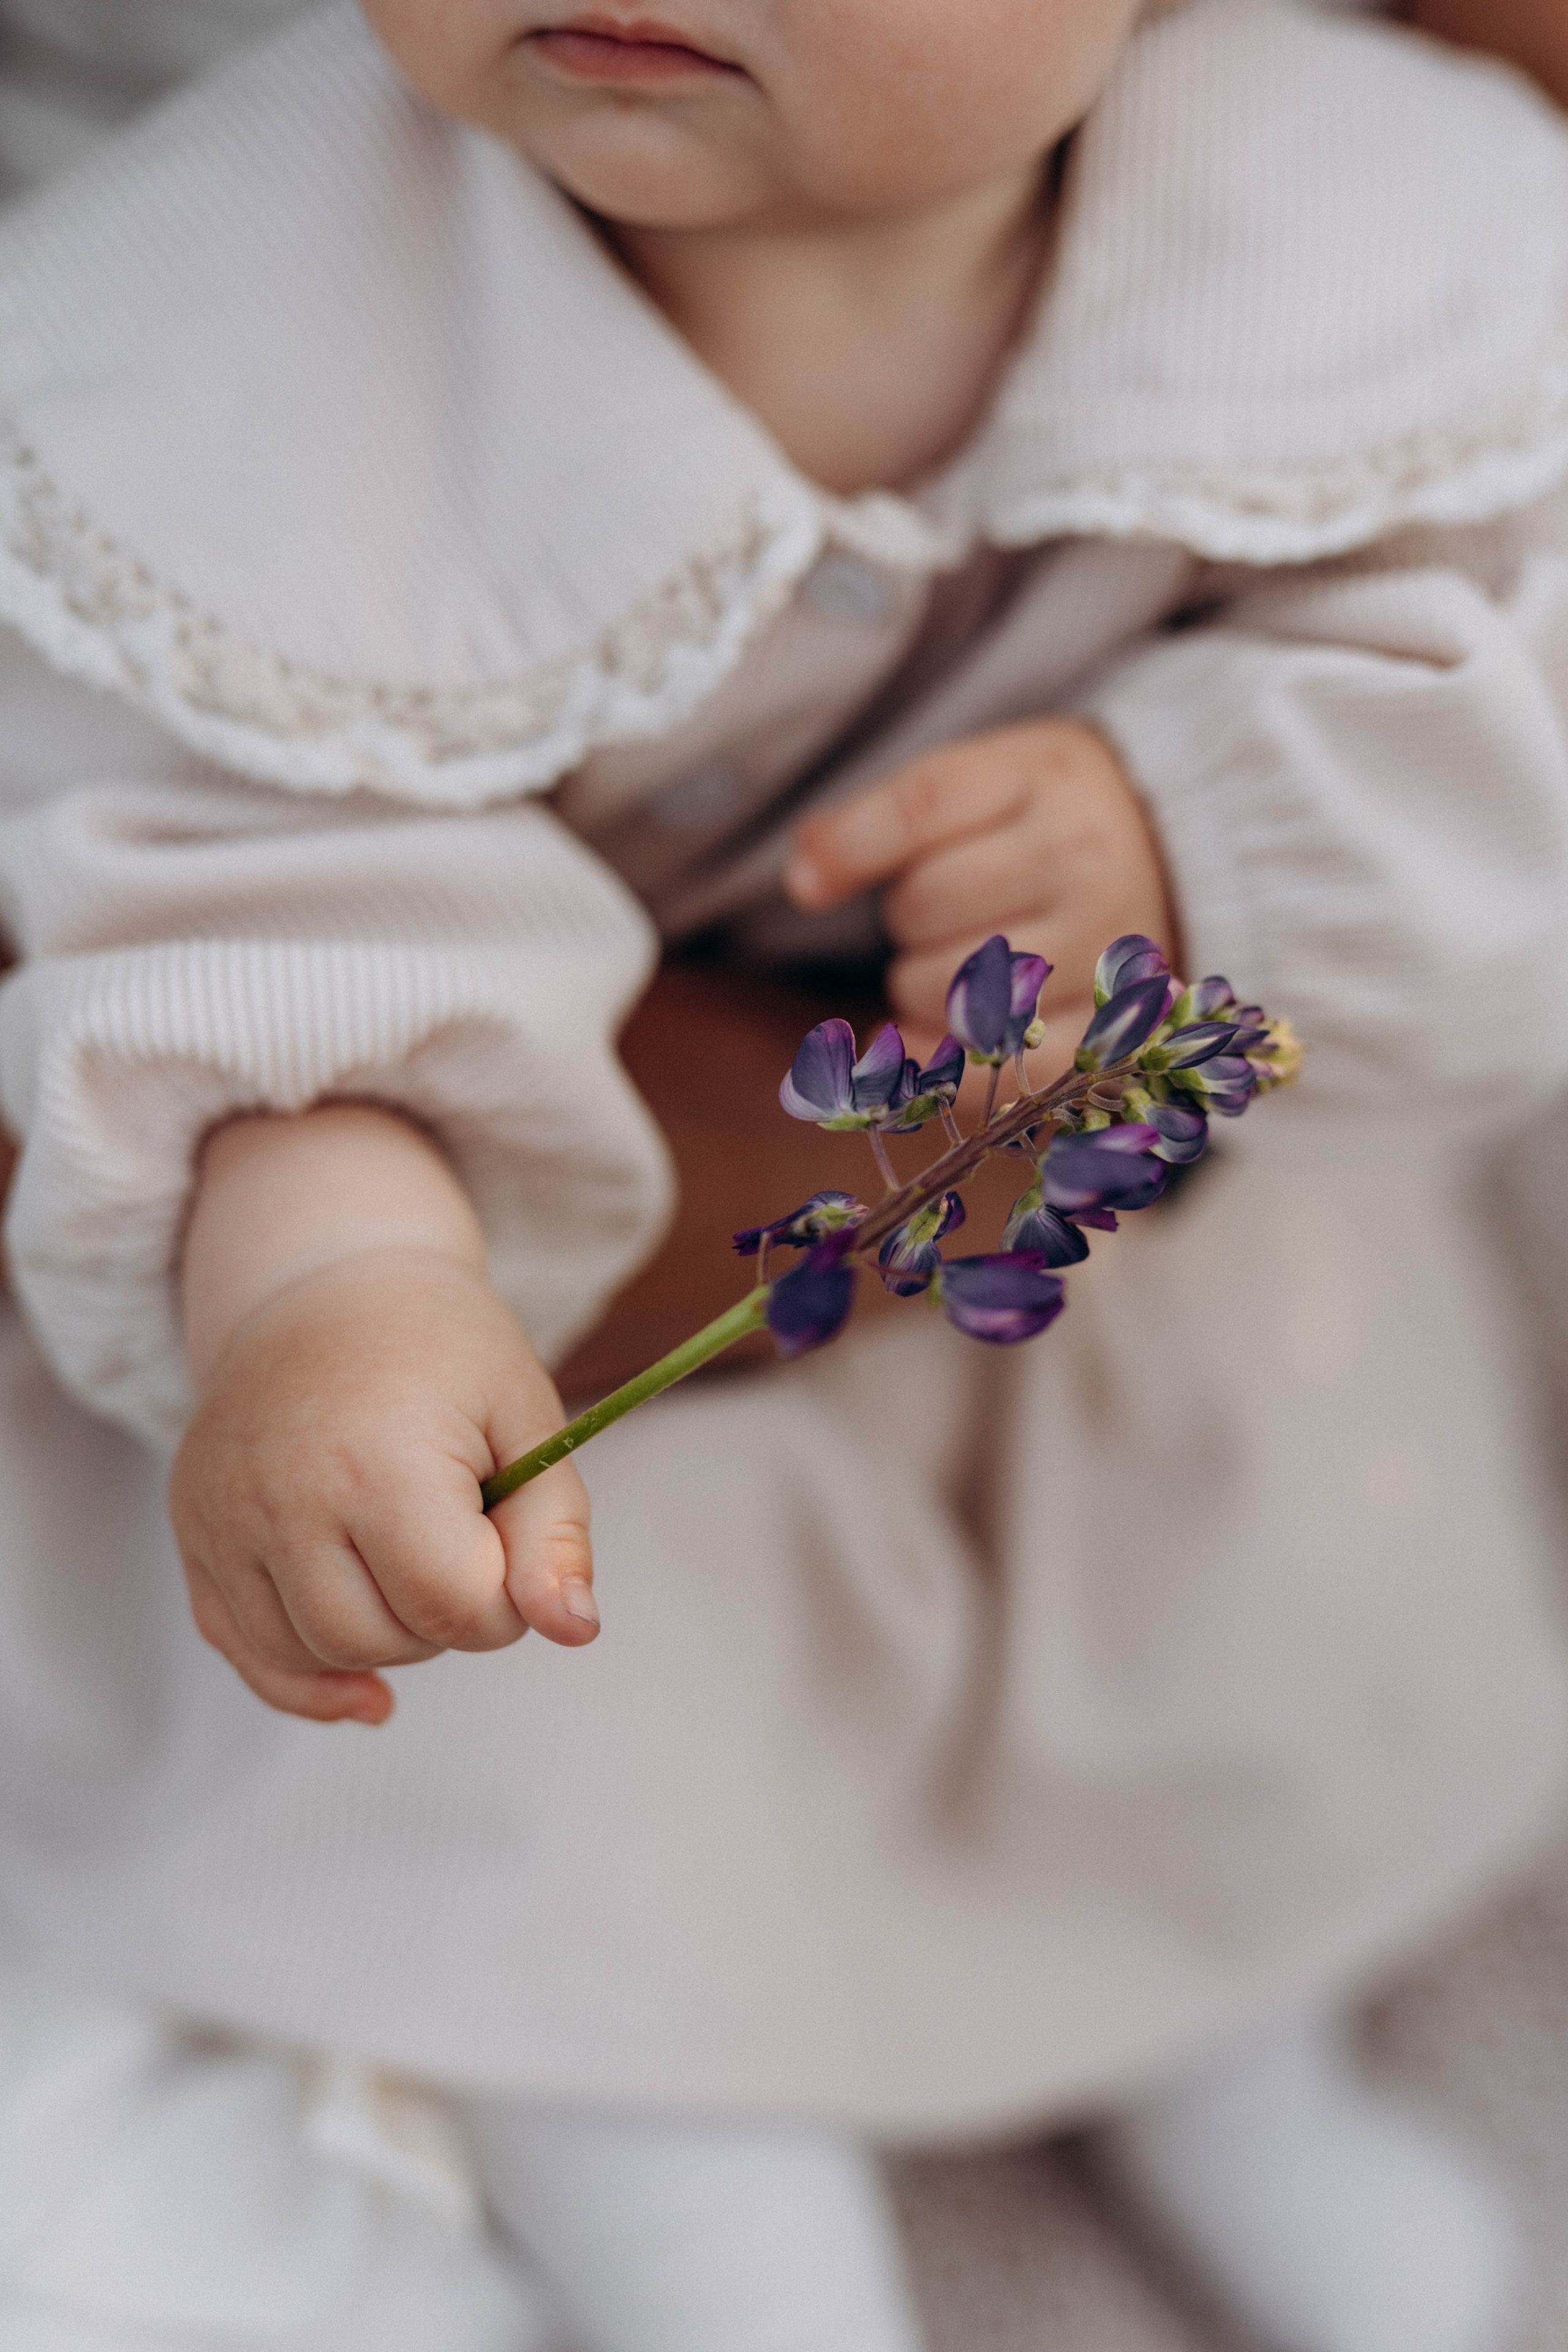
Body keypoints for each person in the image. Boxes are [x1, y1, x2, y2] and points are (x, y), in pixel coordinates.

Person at [2, 2, 1568, 2348]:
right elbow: (238, 897)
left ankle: (1238, 2074)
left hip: (1126, 1254)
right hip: (577, 1267)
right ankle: (729, 2266)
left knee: (1229, 1679)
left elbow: (1513, 685)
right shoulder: (228, 342)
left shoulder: (1380, 226)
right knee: (553, 1755)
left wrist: (1214, 827)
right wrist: (341, 1281)